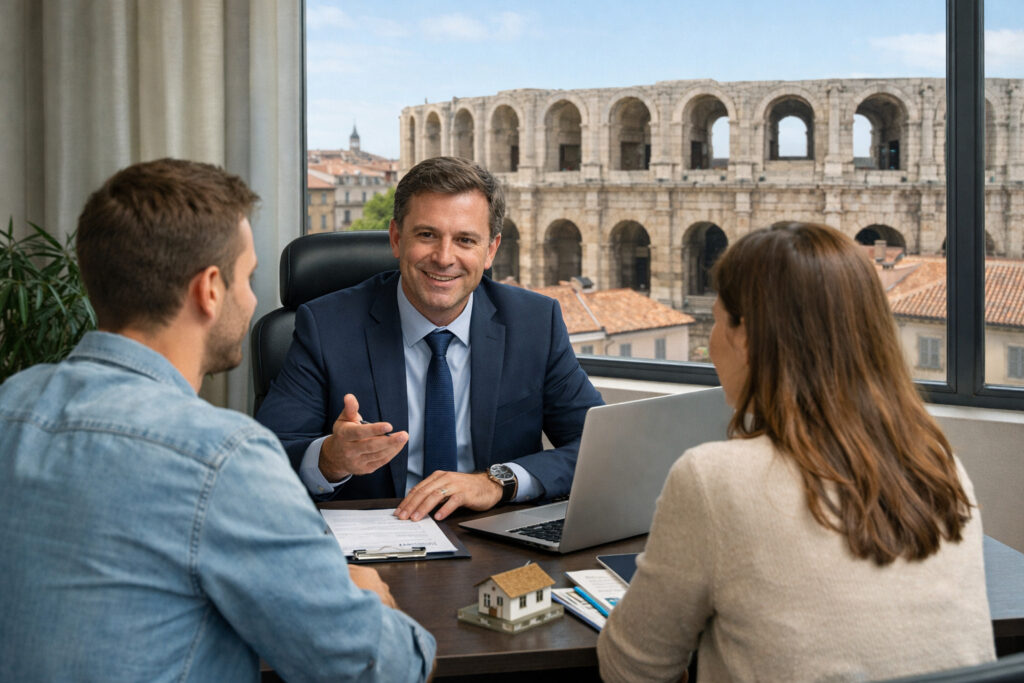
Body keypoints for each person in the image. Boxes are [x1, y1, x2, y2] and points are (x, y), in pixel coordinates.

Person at [0, 159, 435, 682]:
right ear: (210, 289)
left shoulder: (11, 403)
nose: (251, 299)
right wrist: (367, 595)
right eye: (247, 277)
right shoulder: (222, 459)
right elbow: (386, 669)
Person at [597, 222, 995, 682]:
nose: (711, 345)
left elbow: (630, 668)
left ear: (745, 335)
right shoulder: (941, 466)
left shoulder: (714, 479)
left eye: (718, 319)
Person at [256, 156, 603, 522]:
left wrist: (500, 481)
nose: (444, 258)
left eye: (465, 240)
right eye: (427, 235)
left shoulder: (534, 323)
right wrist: (330, 459)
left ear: (490, 250)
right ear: (396, 238)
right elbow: (265, 458)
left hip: (492, 535)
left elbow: (598, 447)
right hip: (377, 539)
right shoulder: (327, 325)